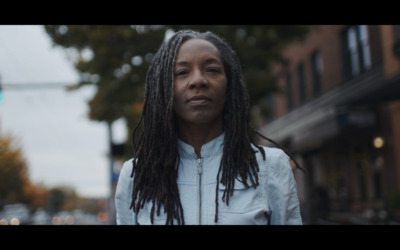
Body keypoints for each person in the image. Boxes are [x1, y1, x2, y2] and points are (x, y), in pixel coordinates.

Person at [115, 29, 304, 225]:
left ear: (230, 85)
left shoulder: (271, 166)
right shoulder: (136, 175)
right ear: (163, 88)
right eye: (181, 72)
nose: (198, 80)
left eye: (212, 69)